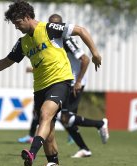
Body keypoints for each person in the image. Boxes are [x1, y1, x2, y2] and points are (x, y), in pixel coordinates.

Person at [0, 0, 102, 166]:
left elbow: (80, 30)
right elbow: (7, 61)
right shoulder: (22, 43)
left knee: (45, 114)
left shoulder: (48, 28)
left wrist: (95, 53)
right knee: (49, 134)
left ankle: (32, 152)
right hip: (39, 88)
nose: (16, 26)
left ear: (27, 17)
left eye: (17, 23)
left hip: (60, 81)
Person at [18, 14, 109, 158]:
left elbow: (84, 59)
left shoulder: (66, 40)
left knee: (64, 117)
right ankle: (84, 146)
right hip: (61, 81)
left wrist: (78, 81)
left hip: (71, 82)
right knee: (62, 118)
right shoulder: (47, 39)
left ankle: (98, 126)